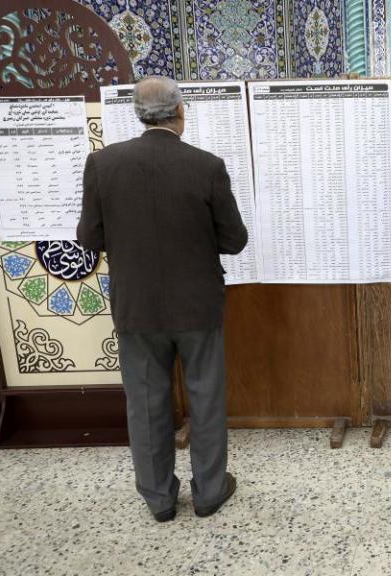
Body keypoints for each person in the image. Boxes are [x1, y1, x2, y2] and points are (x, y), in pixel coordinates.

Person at [77, 76, 248, 522]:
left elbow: (89, 238)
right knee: (206, 397)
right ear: (181, 113)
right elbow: (235, 241)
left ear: (137, 113)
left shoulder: (102, 164)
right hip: (197, 305)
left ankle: (159, 499)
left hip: (137, 307)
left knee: (146, 401)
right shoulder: (207, 166)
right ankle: (210, 492)